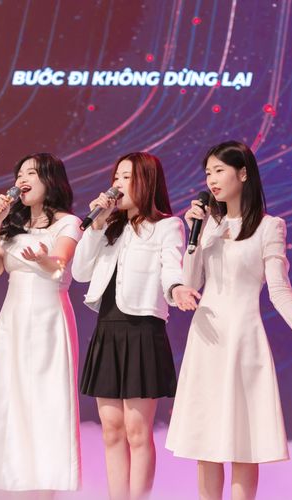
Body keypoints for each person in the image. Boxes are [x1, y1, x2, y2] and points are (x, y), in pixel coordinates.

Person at [165, 140, 292, 500]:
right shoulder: (207, 225)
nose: (212, 180)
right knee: (205, 440)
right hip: (206, 338)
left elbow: (278, 288)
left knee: (243, 441)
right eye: (208, 173)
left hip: (243, 337)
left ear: (243, 173)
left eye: (219, 170)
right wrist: (195, 234)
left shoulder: (269, 226)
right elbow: (191, 281)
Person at [72, 152, 199, 500]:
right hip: (108, 331)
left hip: (142, 331)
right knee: (111, 430)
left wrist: (177, 288)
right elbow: (80, 272)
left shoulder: (167, 226)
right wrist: (96, 226)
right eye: (116, 177)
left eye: (126, 177)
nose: (117, 184)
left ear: (146, 182)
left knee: (137, 431)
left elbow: (171, 266)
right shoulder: (108, 228)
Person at [0, 153, 83, 491]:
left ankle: (46, 488)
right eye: (19, 173)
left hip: (49, 318)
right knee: (10, 398)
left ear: (50, 179)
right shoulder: (12, 227)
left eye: (31, 173)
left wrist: (45, 260)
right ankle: (15, 483)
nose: (22, 179)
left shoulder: (68, 223)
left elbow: (60, 264)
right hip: (13, 319)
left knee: (47, 402)